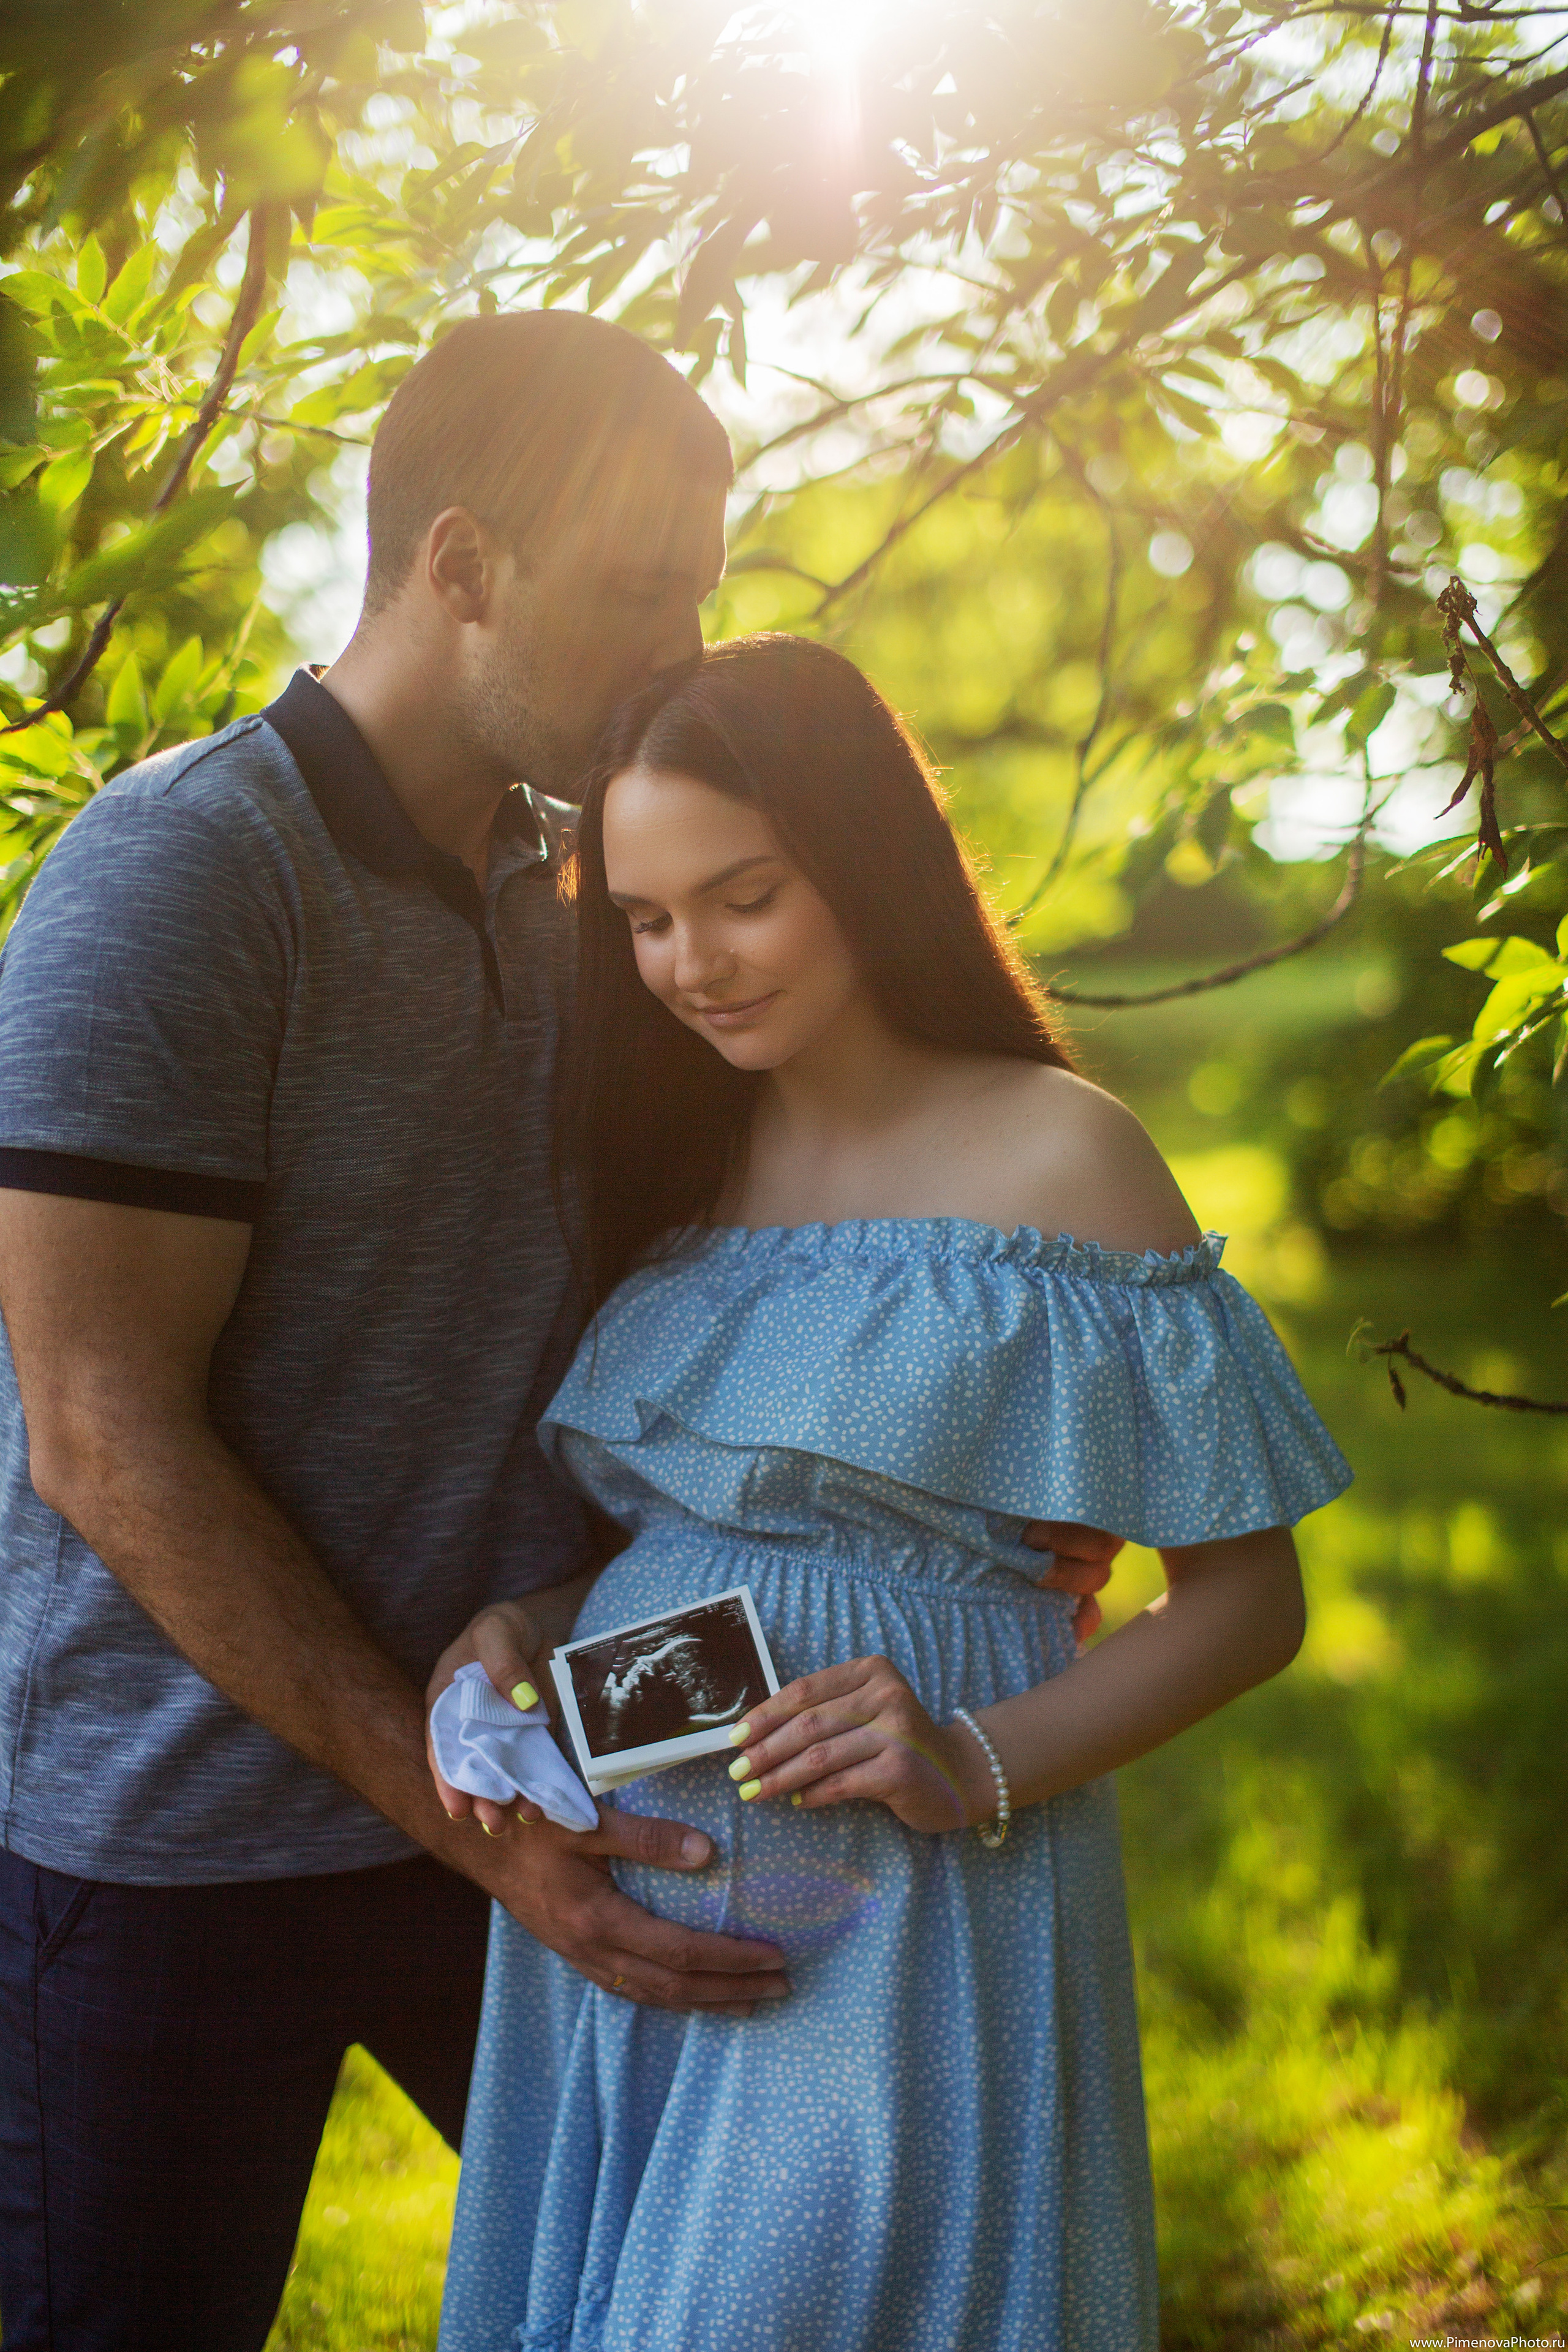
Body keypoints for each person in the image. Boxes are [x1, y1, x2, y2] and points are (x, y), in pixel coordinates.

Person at [0, 314, 1118, 2351]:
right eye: (635, 590)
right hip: (186, 1832)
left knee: (709, 2286)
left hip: (583, 1768)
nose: (680, 642)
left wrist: (971, 1515)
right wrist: (466, 1818)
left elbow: (760, 1275)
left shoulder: (608, 890)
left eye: (705, 582)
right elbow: (98, 1429)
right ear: (459, 566)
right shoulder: (177, 879)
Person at [434, 635, 1352, 2352]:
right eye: (643, 920)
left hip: (896, 1906)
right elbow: (721, 1556)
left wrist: (973, 1759)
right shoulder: (686, 1158)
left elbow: (1250, 1604)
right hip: (654, 1861)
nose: (690, 964)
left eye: (745, 896)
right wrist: (521, 1633)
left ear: (862, 862)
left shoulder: (1060, 1156)